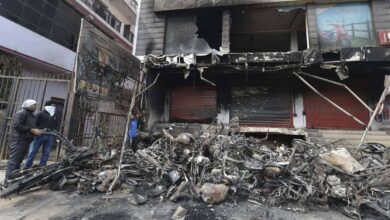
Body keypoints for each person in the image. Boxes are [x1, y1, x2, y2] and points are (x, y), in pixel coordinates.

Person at [5, 99, 41, 180]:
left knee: (19, 160)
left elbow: (31, 126)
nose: (35, 107)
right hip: (19, 140)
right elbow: (17, 125)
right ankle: (8, 179)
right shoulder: (21, 113)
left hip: (26, 140)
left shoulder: (31, 115)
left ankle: (14, 177)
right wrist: (31, 130)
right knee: (14, 161)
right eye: (34, 105)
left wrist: (37, 130)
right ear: (29, 105)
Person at [25, 101, 57, 168]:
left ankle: (42, 166)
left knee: (46, 152)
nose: (54, 107)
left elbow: (56, 125)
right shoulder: (40, 113)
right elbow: (33, 124)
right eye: (52, 106)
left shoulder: (54, 115)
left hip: (50, 135)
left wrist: (54, 130)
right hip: (39, 135)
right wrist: (37, 130)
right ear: (47, 106)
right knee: (33, 152)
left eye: (54, 106)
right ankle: (27, 167)